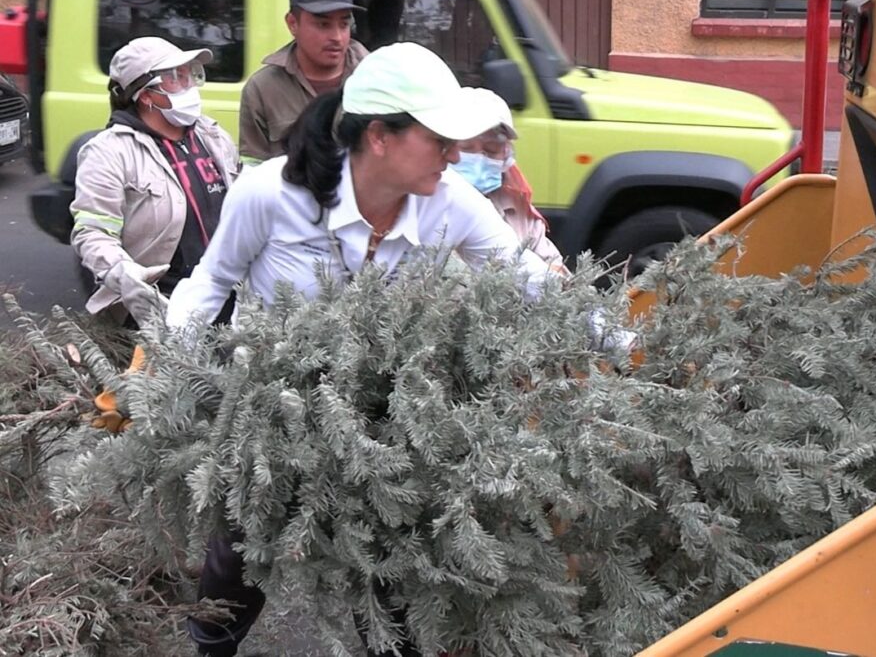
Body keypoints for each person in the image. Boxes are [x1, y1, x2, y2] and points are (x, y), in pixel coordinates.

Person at [168, 42, 554, 657]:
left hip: (379, 421)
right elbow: (211, 282)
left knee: (386, 565)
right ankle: (213, 644)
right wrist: (171, 373)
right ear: (379, 136)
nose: (455, 155)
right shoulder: (271, 195)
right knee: (241, 555)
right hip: (271, 416)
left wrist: (623, 338)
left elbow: (522, 276)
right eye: (439, 140)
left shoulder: (448, 202)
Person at [71, 36, 239, 329]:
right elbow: (92, 231)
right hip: (163, 309)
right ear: (146, 96)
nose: (189, 85)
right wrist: (121, 272)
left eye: (190, 74)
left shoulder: (212, 135)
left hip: (228, 299)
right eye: (176, 77)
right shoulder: (108, 152)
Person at [238, 0, 368, 165]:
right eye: (323, 25)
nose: (337, 37)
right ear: (292, 23)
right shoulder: (262, 89)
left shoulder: (374, 78)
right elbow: (252, 168)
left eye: (344, 24)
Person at [450, 88, 566, 272]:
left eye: (491, 149)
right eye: (467, 147)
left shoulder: (516, 207)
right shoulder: (427, 204)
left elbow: (555, 270)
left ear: (507, 155)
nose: (479, 158)